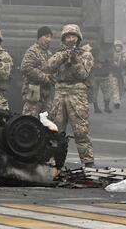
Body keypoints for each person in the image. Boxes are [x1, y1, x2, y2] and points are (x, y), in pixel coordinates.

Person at [45, 24, 95, 167]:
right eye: (67, 36)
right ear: (63, 39)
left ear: (78, 38)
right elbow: (48, 67)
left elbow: (83, 74)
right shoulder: (59, 53)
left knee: (81, 130)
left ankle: (88, 163)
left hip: (77, 93)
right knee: (56, 130)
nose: (70, 39)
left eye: (73, 36)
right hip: (60, 92)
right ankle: (54, 162)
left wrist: (74, 60)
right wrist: (62, 56)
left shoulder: (86, 55)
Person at [20, 26, 54, 116]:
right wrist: (45, 77)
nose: (49, 39)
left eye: (50, 37)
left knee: (46, 125)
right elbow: (26, 68)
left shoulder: (49, 54)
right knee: (30, 123)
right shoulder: (32, 52)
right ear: (39, 37)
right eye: (46, 36)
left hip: (46, 96)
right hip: (33, 96)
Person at [109, 39, 126, 109]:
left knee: (122, 89)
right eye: (116, 46)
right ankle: (116, 102)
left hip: (122, 74)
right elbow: (108, 63)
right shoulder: (111, 55)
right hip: (114, 74)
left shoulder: (124, 55)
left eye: (119, 46)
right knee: (115, 88)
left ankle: (118, 99)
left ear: (121, 47)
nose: (117, 47)